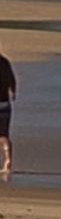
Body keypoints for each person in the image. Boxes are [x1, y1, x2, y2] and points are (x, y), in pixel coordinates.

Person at [0, 45, 15, 180]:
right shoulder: (5, 62)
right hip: (5, 103)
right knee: (4, 134)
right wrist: (13, 93)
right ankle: (8, 161)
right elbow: (12, 80)